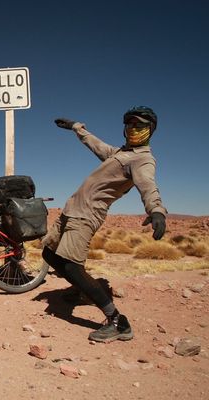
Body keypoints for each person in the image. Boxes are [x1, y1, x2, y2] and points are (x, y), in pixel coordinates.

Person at [42, 106, 167, 342]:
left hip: (87, 214)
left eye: (140, 125)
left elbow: (148, 185)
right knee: (49, 255)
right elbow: (95, 143)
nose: (133, 128)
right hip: (71, 210)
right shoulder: (120, 154)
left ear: (151, 130)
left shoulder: (142, 160)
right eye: (130, 124)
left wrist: (157, 210)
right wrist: (76, 128)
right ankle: (83, 291)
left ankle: (118, 322)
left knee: (71, 266)